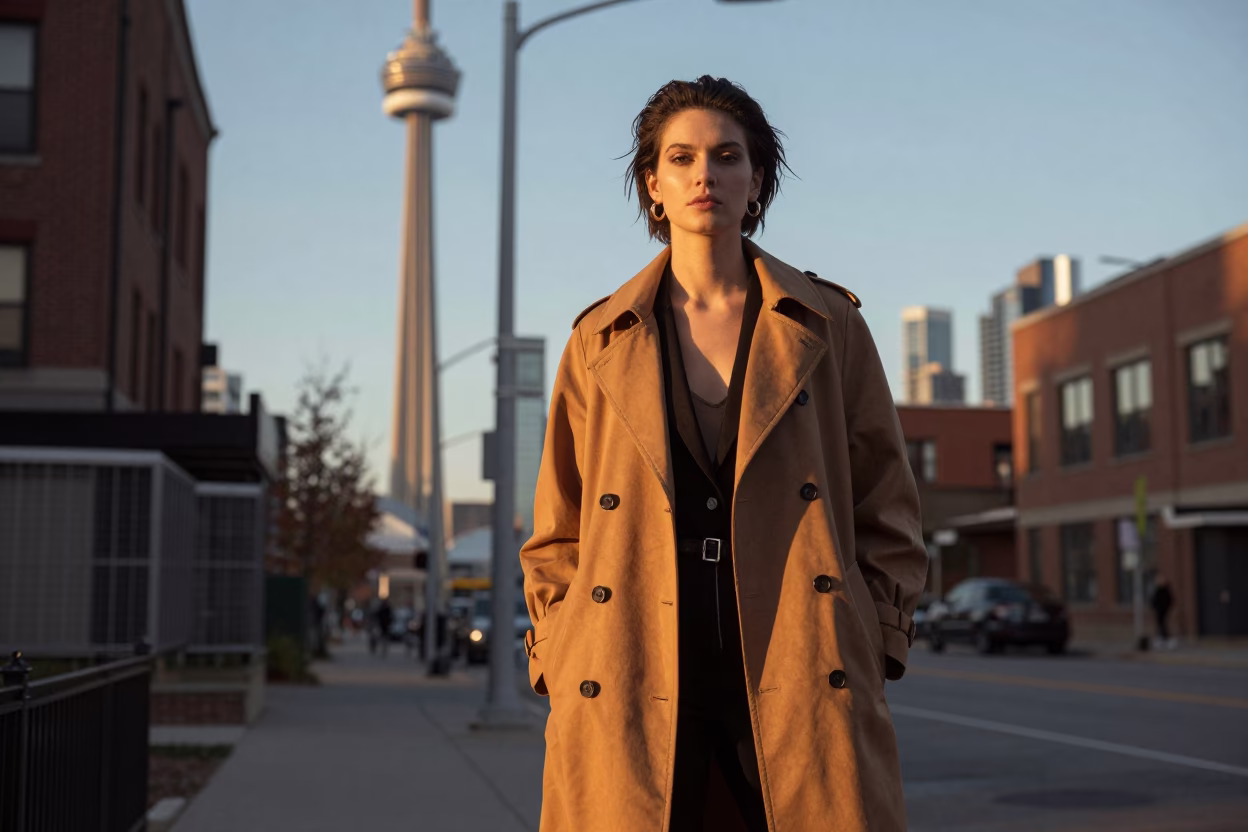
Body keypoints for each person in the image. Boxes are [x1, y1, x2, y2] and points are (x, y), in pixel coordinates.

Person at [520, 76, 926, 832]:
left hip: (798, 661)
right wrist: (564, 650)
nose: (705, 174)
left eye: (727, 155)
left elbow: (887, 503)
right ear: (654, 185)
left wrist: (872, 639)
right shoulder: (597, 341)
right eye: (682, 158)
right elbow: (556, 531)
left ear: (757, 179)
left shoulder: (826, 324)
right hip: (628, 665)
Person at [1151, 575, 1175, 649]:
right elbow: (1154, 600)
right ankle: (1161, 639)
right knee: (1160, 625)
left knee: (1163, 624)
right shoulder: (1158, 590)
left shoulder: (1165, 591)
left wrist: (1165, 607)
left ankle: (1166, 639)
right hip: (1158, 611)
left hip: (1163, 610)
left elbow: (1169, 600)